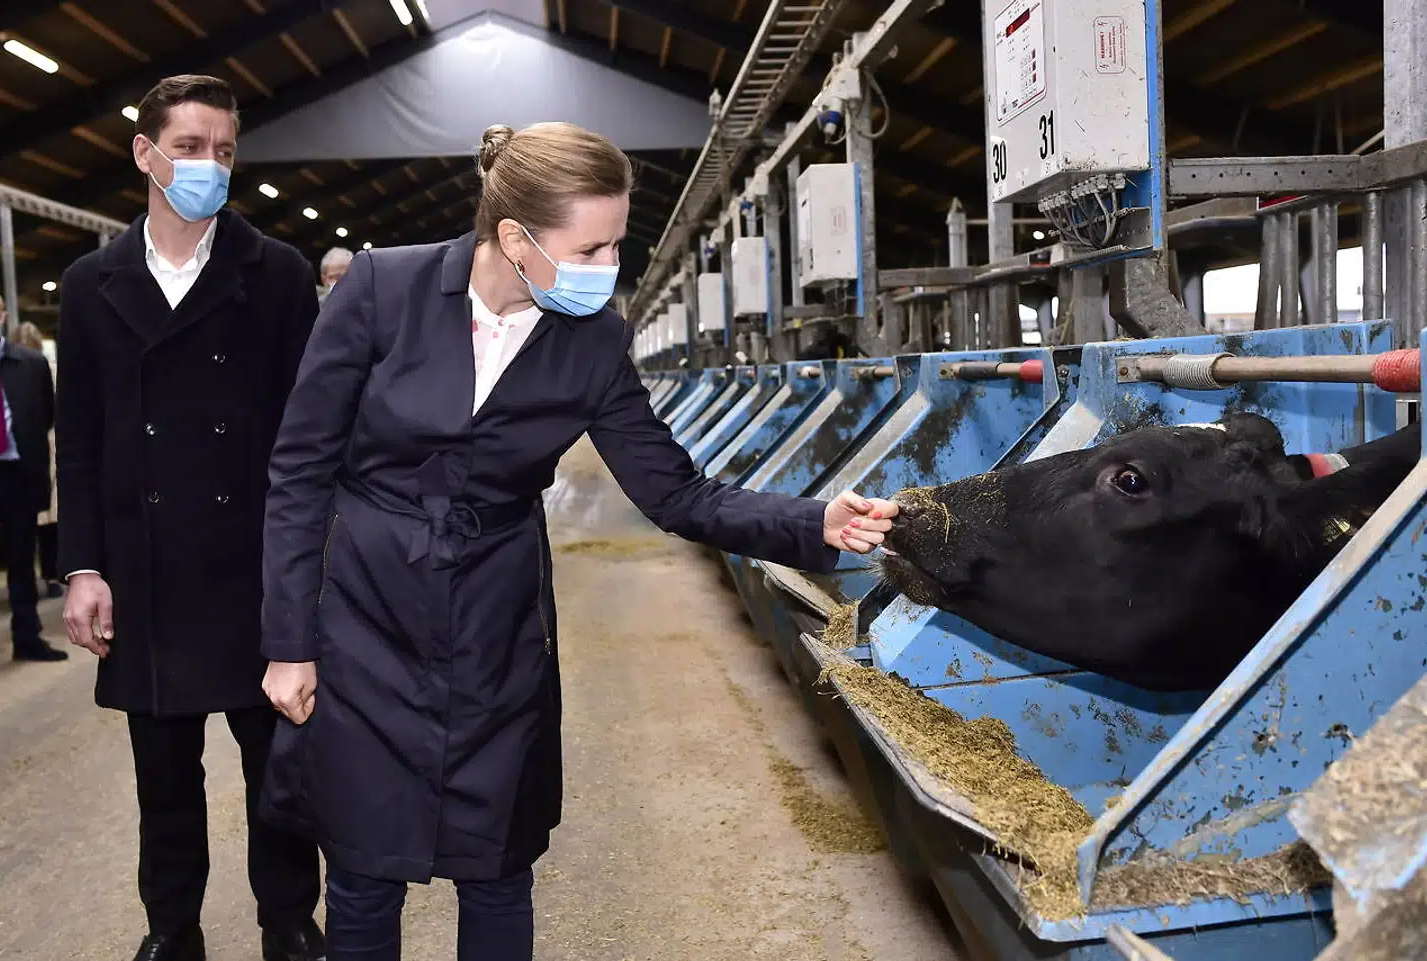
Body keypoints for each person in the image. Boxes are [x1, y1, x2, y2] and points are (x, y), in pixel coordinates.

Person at [256, 121, 899, 961]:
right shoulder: (383, 289)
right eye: (591, 248)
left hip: (496, 625)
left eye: (616, 245)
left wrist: (813, 521)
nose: (609, 268)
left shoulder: (592, 342)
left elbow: (677, 492)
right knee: (363, 875)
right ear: (514, 237)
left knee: (498, 870)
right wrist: (289, 643)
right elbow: (300, 470)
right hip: (365, 616)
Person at [54, 74, 324, 961]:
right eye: (189, 147)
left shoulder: (277, 275)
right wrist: (83, 566)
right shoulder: (91, 284)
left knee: (278, 766)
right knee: (163, 776)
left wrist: (310, 571)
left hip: (254, 566)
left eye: (224, 150)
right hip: (148, 568)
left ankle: (288, 920)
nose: (210, 164)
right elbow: (79, 441)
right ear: (145, 154)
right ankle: (172, 928)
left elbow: (308, 438)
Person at [0, 291, 64, 666]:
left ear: (4, 318)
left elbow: (46, 415)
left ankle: (28, 638)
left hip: (16, 476)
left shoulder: (31, 364)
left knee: (21, 562)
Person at [9, 320, 64, 600]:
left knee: (30, 527)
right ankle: (49, 576)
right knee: (46, 525)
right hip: (41, 453)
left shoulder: (41, 369)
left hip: (35, 454)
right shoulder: (46, 369)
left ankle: (38, 578)